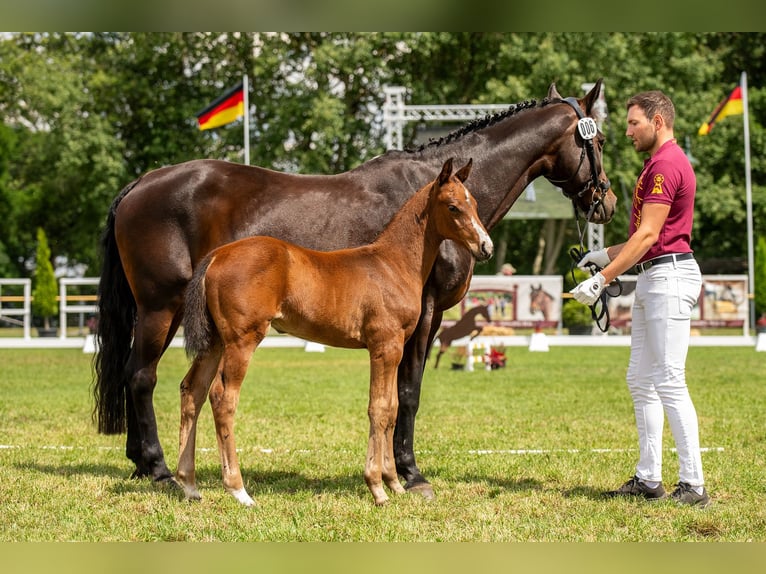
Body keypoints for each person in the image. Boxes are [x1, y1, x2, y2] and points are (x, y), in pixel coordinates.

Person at [570, 90, 710, 508]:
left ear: (658, 121)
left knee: (668, 379)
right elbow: (643, 238)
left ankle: (694, 485)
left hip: (669, 275)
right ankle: (649, 478)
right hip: (655, 275)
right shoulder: (658, 163)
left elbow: (649, 236)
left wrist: (602, 280)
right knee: (640, 380)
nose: (627, 131)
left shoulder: (666, 164)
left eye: (634, 123)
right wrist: (602, 256)